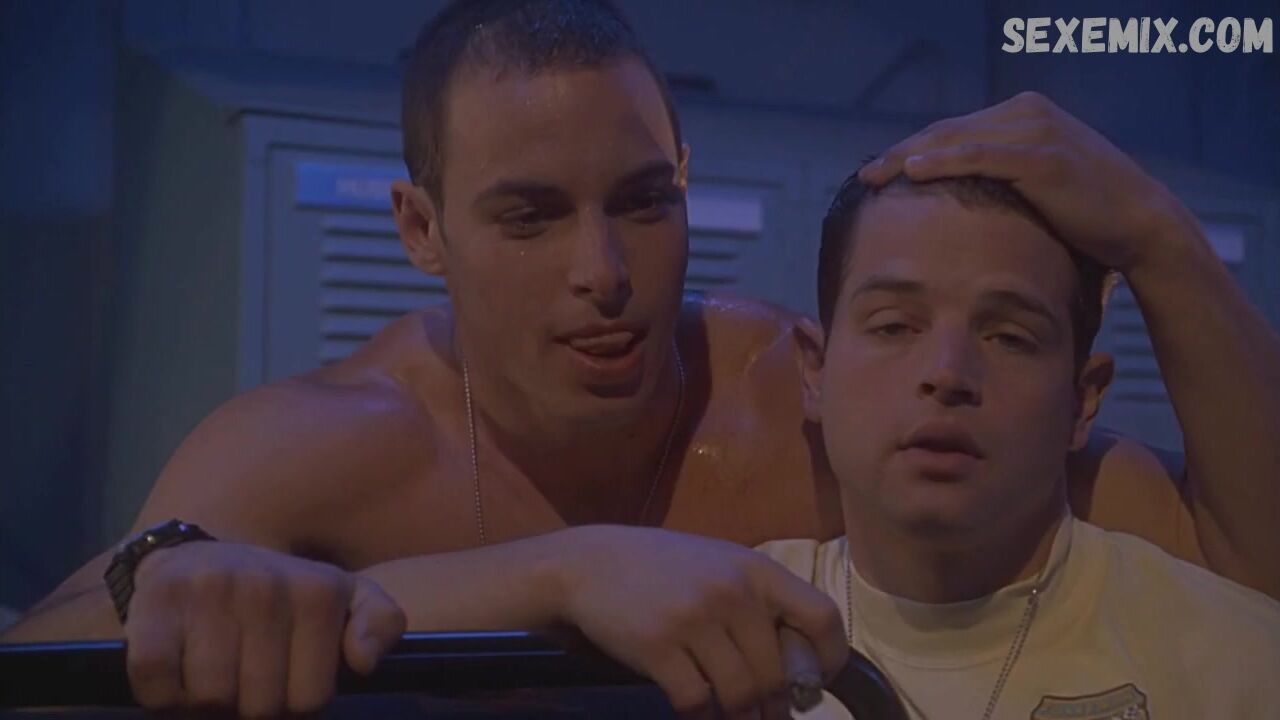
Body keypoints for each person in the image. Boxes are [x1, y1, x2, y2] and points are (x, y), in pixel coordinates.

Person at [5, 0, 1278, 716]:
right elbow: (46, 659)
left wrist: (1158, 238)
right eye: (528, 216)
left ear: (684, 184)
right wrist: (560, 570)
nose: (603, 271)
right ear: (420, 229)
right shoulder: (331, 443)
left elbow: (1244, 562)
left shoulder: (805, 397)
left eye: (642, 202)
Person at [759, 170, 1280, 719]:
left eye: (1010, 338)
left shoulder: (1234, 664)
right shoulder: (731, 631)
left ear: (1081, 402)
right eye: (894, 327)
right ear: (815, 371)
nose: (947, 372)